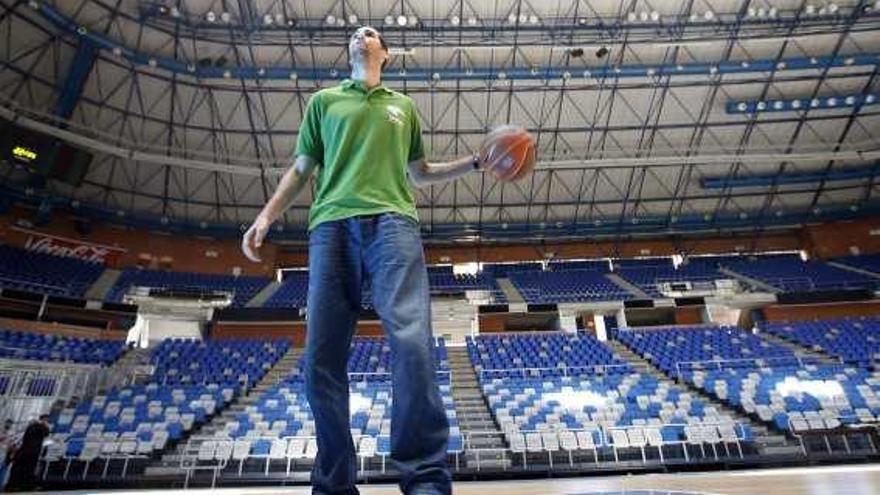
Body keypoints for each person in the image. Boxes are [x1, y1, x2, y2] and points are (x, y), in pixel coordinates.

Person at [242, 25, 491, 495]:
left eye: (371, 32)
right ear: (350, 51)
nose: (361, 32)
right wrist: (266, 218)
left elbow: (420, 174)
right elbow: (301, 169)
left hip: (394, 224)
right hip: (330, 228)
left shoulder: (404, 107)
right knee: (320, 360)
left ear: (386, 54)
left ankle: (424, 479)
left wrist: (476, 161)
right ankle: (334, 484)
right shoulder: (324, 102)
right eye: (356, 32)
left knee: (413, 344)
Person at [6, 415, 50, 492]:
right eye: (47, 420)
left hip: (23, 452)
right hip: (32, 453)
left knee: (18, 470)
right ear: (44, 420)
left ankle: (12, 486)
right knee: (28, 470)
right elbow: (46, 433)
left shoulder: (31, 426)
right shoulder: (40, 427)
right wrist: (45, 426)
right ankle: (24, 487)